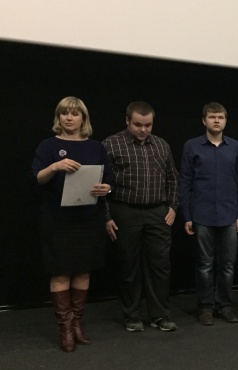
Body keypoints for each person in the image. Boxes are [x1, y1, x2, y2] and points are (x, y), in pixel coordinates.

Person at [31, 96, 113, 352]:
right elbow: (38, 177)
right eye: (65, 113)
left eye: (75, 114)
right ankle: (64, 327)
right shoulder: (48, 145)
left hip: (88, 218)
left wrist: (106, 188)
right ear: (58, 117)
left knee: (83, 271)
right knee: (60, 272)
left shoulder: (96, 146)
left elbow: (109, 179)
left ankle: (77, 323)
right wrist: (55, 166)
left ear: (83, 119)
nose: (69, 118)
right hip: (58, 219)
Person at [103, 101, 179, 332]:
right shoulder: (111, 144)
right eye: (138, 124)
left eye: (148, 125)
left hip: (158, 212)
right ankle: (132, 316)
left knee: (160, 266)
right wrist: (106, 216)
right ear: (127, 121)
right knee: (129, 266)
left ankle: (160, 315)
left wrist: (173, 206)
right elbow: (100, 183)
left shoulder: (162, 145)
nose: (143, 129)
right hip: (125, 211)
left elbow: (172, 177)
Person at [179, 102, 238, 325]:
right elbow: (185, 182)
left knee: (227, 265)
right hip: (202, 215)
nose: (216, 120)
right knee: (205, 264)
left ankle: (225, 305)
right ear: (204, 120)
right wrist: (187, 215)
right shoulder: (192, 146)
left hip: (229, 215)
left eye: (220, 117)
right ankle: (205, 307)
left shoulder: (235, 147)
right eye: (212, 117)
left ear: (226, 121)